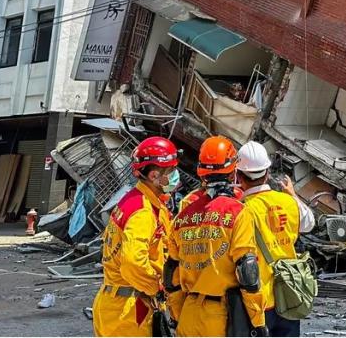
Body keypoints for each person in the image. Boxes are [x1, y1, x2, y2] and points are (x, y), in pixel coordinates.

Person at [164, 136, 267, 337]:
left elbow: (171, 275)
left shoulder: (182, 217)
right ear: (233, 172)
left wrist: (177, 316)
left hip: (188, 314)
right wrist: (258, 322)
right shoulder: (237, 212)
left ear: (201, 172)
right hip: (222, 317)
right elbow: (247, 271)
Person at [92, 136, 181, 337]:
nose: (175, 175)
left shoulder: (134, 201)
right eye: (171, 171)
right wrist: (157, 288)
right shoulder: (142, 212)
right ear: (154, 175)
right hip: (129, 312)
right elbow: (133, 262)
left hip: (116, 305)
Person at [236, 141, 316, 337]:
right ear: (267, 173)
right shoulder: (288, 202)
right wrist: (293, 195)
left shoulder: (241, 210)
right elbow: (309, 223)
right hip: (289, 294)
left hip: (258, 301)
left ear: (238, 176)